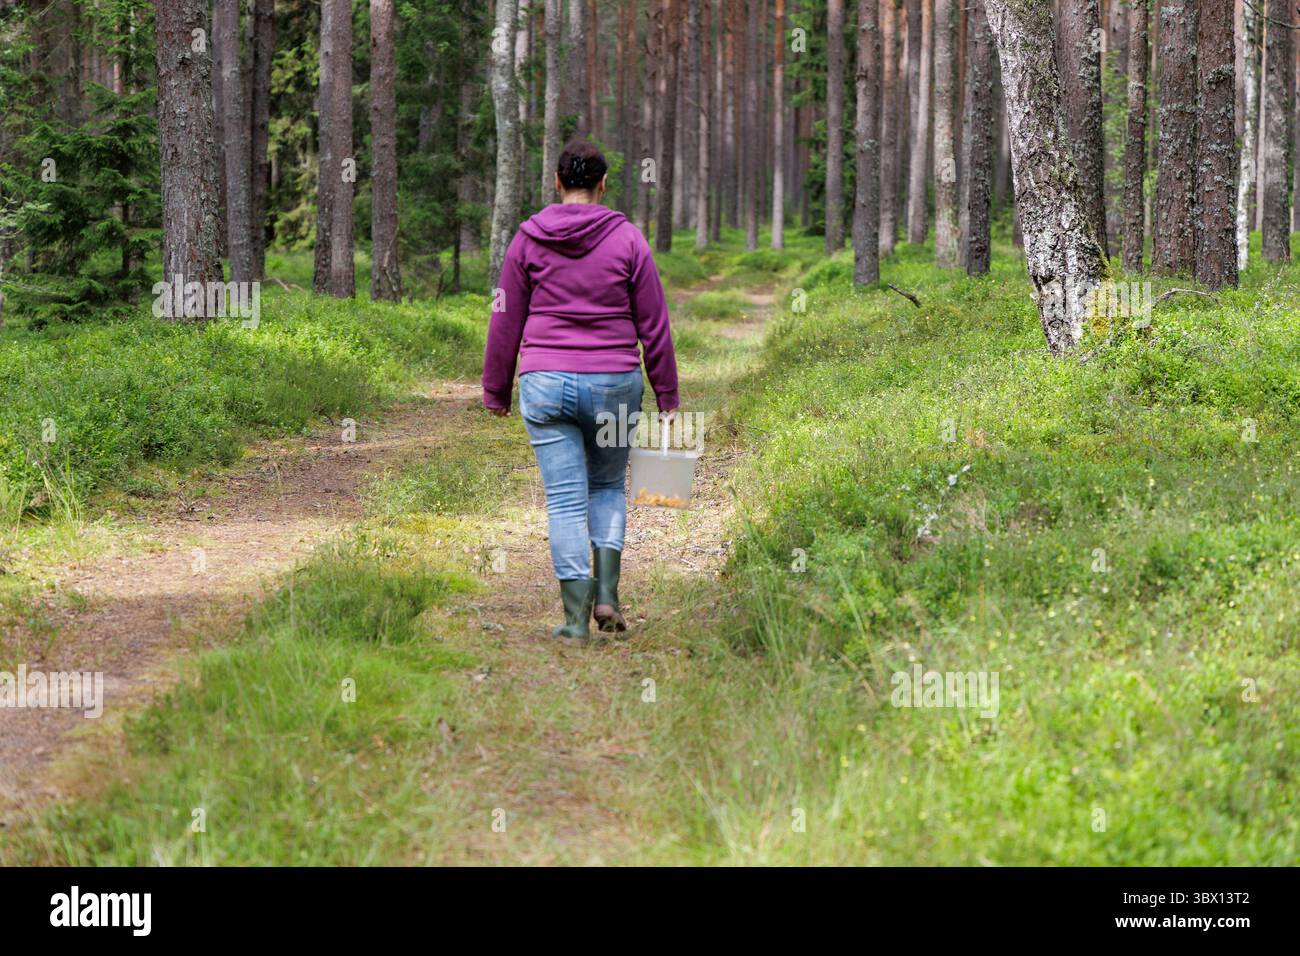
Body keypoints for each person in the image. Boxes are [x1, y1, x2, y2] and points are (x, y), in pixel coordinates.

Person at [482, 140, 680, 645]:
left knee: (565, 502)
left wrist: (496, 389)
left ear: (556, 180)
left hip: (546, 384)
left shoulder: (527, 239)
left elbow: (505, 318)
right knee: (609, 487)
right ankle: (608, 595)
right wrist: (667, 394)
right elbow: (653, 324)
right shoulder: (629, 239)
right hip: (614, 380)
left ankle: (575, 620)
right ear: (603, 183)